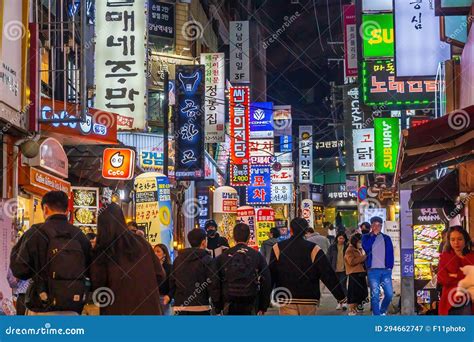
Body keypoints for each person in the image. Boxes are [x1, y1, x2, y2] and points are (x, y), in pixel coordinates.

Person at [10, 191, 91, 315]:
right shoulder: (79, 235)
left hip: (41, 306)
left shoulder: (35, 233)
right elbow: (90, 269)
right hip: (73, 307)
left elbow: (19, 270)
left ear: (46, 209)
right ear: (67, 210)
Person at [90, 203, 165, 315]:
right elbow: (160, 275)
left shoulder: (103, 250)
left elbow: (97, 284)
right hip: (149, 311)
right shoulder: (142, 244)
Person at [269, 218, 346, 315]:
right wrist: (340, 296)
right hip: (309, 297)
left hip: (285, 297)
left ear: (291, 230)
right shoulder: (314, 249)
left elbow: (270, 275)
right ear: (306, 231)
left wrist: (262, 303)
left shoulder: (277, 248)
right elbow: (327, 273)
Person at [216, 223, 271, 315]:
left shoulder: (223, 256)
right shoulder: (256, 255)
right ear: (249, 237)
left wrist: (218, 306)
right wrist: (263, 306)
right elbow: (266, 280)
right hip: (250, 301)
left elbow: (215, 281)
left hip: (229, 302)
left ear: (234, 237)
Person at [168, 229, 220, 315]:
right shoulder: (207, 260)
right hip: (201, 306)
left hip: (180, 306)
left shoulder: (178, 259)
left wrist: (173, 297)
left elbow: (172, 281)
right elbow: (213, 284)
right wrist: (217, 305)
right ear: (203, 242)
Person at [361, 216, 394, 316]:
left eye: (379, 225)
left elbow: (391, 252)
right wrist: (374, 236)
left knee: (389, 294)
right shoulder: (366, 237)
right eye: (375, 225)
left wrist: (390, 267)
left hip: (386, 271)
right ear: (371, 226)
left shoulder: (386, 238)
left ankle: (382, 310)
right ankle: (376, 315)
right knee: (375, 295)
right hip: (373, 271)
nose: (377, 227)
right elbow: (366, 248)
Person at [437, 226, 474, 315]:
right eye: (452, 240)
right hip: (449, 301)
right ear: (449, 241)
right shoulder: (445, 257)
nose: (456, 243)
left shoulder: (472, 257)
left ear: (465, 239)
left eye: (460, 239)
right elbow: (442, 279)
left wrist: (454, 275)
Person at [345, 233, 368, 315]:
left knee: (361, 293)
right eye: (359, 241)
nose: (360, 243)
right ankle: (352, 310)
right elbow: (351, 262)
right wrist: (364, 257)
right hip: (354, 274)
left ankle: (358, 307)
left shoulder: (359, 249)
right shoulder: (350, 250)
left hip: (360, 274)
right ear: (355, 241)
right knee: (353, 293)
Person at [327, 231, 349, 310]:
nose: (341, 240)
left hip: (344, 270)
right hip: (334, 270)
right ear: (337, 238)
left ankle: (345, 302)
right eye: (340, 238)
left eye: (343, 238)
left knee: (343, 285)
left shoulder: (347, 247)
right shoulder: (332, 247)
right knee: (337, 287)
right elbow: (328, 258)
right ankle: (339, 302)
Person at [154, 244, 172, 315]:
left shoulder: (169, 267)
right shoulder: (150, 267)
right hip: (153, 299)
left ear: (164, 254)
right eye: (154, 251)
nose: (155, 253)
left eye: (158, 251)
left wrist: (169, 296)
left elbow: (172, 284)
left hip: (164, 298)